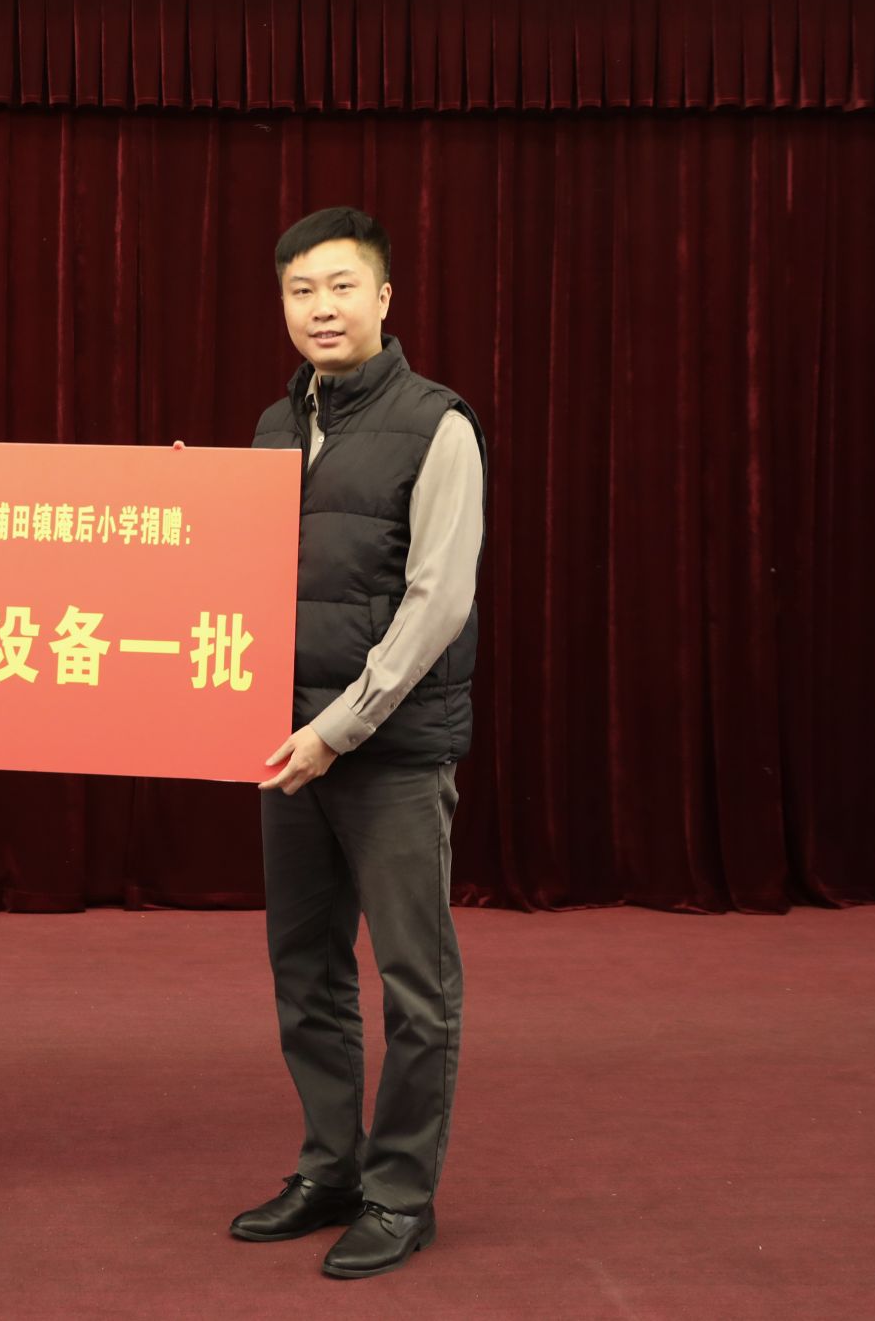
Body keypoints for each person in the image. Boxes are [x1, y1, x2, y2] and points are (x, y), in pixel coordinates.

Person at [231, 207, 488, 1279]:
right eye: (300, 291)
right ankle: (329, 1168)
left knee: (414, 983)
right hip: (285, 746)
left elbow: (437, 602)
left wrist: (339, 728)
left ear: (382, 298)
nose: (320, 308)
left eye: (340, 287)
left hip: (385, 752)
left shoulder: (438, 425)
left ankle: (398, 1192)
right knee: (305, 970)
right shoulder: (272, 425)